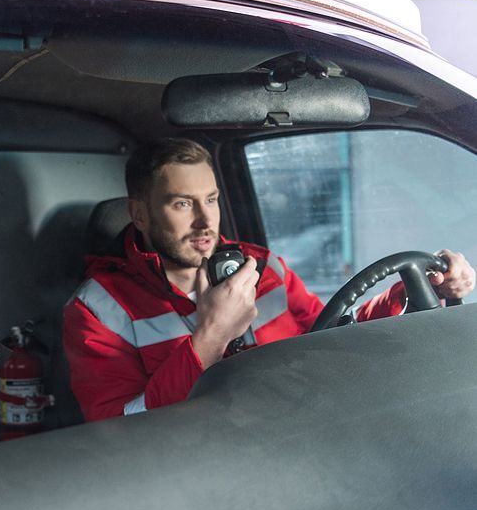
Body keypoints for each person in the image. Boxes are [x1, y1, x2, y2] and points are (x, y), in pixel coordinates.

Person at [63, 138, 475, 422]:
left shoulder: (264, 268)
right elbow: (117, 432)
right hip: (193, 471)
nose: (205, 221)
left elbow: (332, 334)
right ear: (139, 215)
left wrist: (416, 288)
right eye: (182, 204)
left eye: (211, 200)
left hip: (298, 435)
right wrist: (208, 342)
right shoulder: (99, 308)